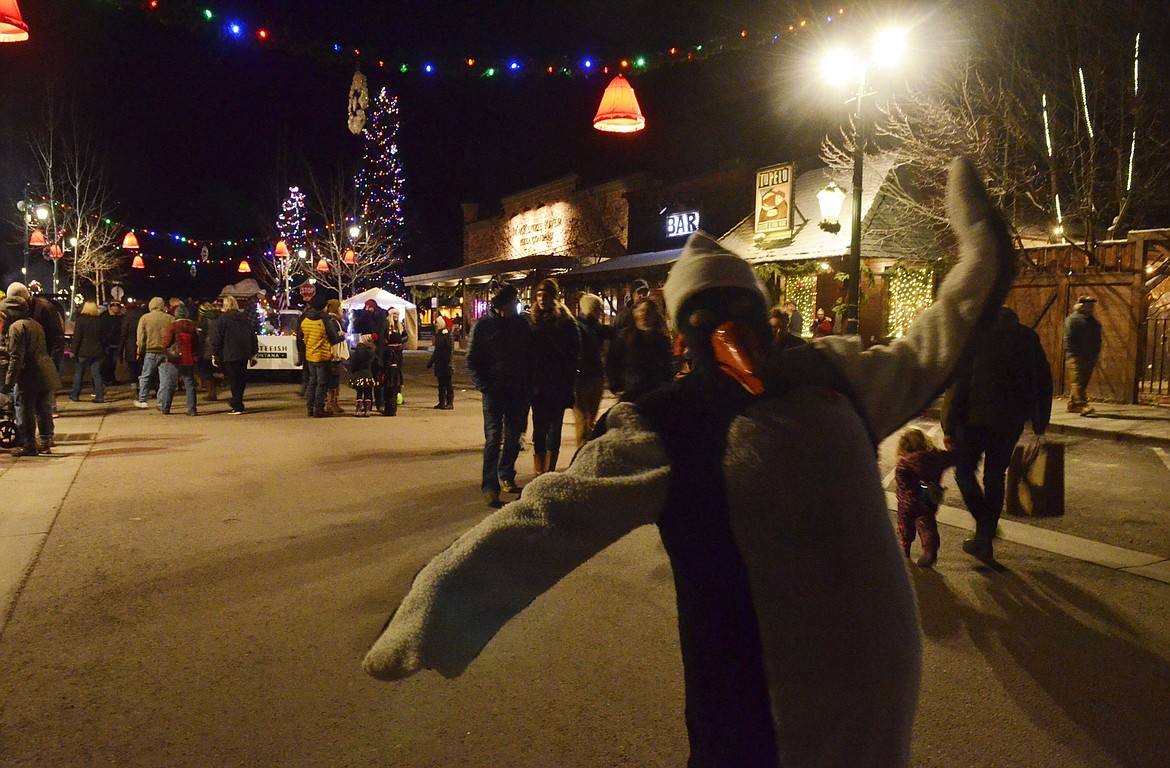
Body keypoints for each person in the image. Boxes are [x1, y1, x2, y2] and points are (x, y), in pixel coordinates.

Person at [364, 159, 1019, 766]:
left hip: (767, 716)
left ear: (680, 340)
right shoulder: (837, 377)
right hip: (878, 692)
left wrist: (435, 605)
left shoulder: (675, 424)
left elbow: (551, 520)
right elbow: (944, 334)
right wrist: (982, 257)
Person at [942, 306, 1052, 565]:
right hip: (1009, 422)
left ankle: (985, 529)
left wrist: (948, 426)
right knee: (994, 477)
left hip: (972, 422)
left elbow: (958, 384)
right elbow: (1043, 380)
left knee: (964, 472)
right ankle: (985, 537)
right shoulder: (1027, 338)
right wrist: (1040, 420)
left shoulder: (975, 337)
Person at [466, 284, 532, 506]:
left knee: (514, 437)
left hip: (518, 390)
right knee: (493, 439)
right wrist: (484, 385)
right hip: (494, 392)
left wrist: (530, 382)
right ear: (504, 304)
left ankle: (506, 473)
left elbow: (531, 355)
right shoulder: (483, 326)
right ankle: (489, 487)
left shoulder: (522, 324)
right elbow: (473, 360)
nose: (516, 304)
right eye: (514, 301)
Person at [528, 278, 580, 475]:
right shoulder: (532, 320)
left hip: (558, 384)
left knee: (554, 427)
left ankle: (549, 470)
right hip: (538, 385)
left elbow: (574, 356)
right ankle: (539, 471)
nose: (541, 299)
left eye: (546, 295)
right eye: (539, 295)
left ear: (554, 298)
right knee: (539, 428)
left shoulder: (566, 323)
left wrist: (568, 384)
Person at [1, 293, 60, 456]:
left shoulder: (16, 327)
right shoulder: (34, 324)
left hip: (30, 375)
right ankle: (45, 441)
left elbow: (16, 357)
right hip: (45, 372)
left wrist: (9, 382)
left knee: (26, 410)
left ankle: (29, 444)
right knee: (43, 409)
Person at [894, 428, 955, 568]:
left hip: (908, 502)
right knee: (927, 524)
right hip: (928, 499)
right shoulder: (936, 458)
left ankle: (905, 547)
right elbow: (953, 457)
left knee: (905, 525)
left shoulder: (904, 463)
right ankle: (929, 549)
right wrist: (951, 444)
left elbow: (902, 484)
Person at [605, 296, 674, 402]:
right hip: (631, 393)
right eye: (641, 310)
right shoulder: (625, 336)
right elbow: (612, 361)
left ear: (655, 315)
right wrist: (616, 386)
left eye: (648, 311)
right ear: (635, 313)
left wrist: (666, 386)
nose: (644, 314)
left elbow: (667, 365)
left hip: (655, 394)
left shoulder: (661, 339)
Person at [572, 292, 613, 449]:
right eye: (598, 309)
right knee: (583, 422)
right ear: (590, 309)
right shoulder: (576, 327)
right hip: (580, 378)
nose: (600, 312)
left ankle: (586, 453)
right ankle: (581, 456)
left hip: (595, 377)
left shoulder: (598, 328)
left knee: (590, 421)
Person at [209, 295, 258, 415]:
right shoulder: (244, 319)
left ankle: (237, 404)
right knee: (240, 379)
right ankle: (238, 401)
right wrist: (253, 353)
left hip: (229, 353)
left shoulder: (222, 319)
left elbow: (217, 338)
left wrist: (215, 354)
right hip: (243, 353)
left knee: (233, 379)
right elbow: (252, 336)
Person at [297, 295, 341, 418]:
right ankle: (319, 408)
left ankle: (310, 408)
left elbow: (300, 336)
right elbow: (333, 338)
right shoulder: (323, 319)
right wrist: (343, 337)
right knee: (322, 383)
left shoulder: (304, 318)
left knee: (312, 381)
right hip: (322, 354)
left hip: (310, 354)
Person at [158, 304, 200, 416]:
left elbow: (166, 342)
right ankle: (192, 410)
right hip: (189, 358)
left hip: (175, 359)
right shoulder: (192, 326)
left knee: (170, 384)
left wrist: (164, 350)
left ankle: (165, 408)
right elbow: (196, 343)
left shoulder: (173, 326)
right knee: (190, 385)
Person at [134, 297, 175, 409]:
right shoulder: (170, 318)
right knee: (164, 378)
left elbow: (141, 335)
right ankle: (161, 401)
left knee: (146, 376)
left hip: (151, 350)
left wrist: (140, 349)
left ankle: (143, 399)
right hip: (165, 351)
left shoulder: (145, 318)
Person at [1063, 295, 1101, 416]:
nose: (1091, 307)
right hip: (1076, 355)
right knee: (1078, 381)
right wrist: (1074, 353)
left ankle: (1072, 404)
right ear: (1081, 306)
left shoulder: (1094, 322)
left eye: (1091, 305)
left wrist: (1095, 353)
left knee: (1082, 382)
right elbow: (1069, 338)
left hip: (1090, 356)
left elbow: (1097, 339)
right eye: (1088, 305)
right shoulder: (1073, 320)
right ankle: (1081, 405)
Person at [353, 299, 390, 411]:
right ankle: (367, 402)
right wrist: (363, 317)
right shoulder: (364, 316)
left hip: (378, 349)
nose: (368, 309)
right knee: (366, 377)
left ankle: (380, 403)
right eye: (366, 307)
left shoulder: (381, 316)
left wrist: (372, 334)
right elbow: (357, 328)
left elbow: (378, 330)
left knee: (377, 375)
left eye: (370, 307)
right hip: (366, 349)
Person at [69, 301, 106, 403]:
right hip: (97, 351)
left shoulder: (81, 321)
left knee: (79, 374)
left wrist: (73, 351)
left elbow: (77, 337)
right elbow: (104, 337)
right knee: (97, 374)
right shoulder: (99, 321)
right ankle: (99, 396)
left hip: (83, 351)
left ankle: (75, 395)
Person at [425, 315, 455, 410]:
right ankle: (441, 402)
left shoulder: (447, 336)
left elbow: (450, 350)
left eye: (437, 323)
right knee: (441, 384)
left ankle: (450, 402)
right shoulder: (439, 335)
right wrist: (431, 362)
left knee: (448, 383)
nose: (436, 325)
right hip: (439, 363)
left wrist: (449, 362)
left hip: (446, 363)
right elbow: (437, 351)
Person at [323, 299, 347, 415]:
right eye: (340, 308)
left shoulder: (335, 321)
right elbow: (332, 338)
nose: (342, 311)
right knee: (332, 378)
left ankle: (335, 402)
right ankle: (330, 403)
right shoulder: (332, 321)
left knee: (335, 378)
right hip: (333, 354)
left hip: (335, 355)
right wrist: (343, 337)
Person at [383, 307, 406, 416]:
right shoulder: (387, 325)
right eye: (394, 314)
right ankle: (391, 398)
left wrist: (400, 340)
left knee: (397, 374)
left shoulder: (400, 325)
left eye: (397, 314)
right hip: (391, 350)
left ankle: (397, 395)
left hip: (398, 351)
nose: (396, 316)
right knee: (391, 377)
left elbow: (405, 336)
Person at [195, 301, 220, 401]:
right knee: (211, 371)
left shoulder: (203, 321)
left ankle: (211, 394)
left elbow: (201, 337)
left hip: (206, 350)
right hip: (216, 349)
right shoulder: (217, 319)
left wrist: (197, 350)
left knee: (206, 372)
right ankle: (212, 392)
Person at [348, 338, 379, 416]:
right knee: (368, 393)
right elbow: (377, 364)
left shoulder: (355, 355)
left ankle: (358, 410)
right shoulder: (371, 355)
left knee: (359, 393)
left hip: (358, 376)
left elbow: (352, 366)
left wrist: (353, 372)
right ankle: (367, 410)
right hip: (368, 375)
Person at [121, 301, 147, 391]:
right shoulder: (143, 317)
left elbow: (123, 335)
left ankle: (134, 388)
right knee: (142, 368)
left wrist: (120, 351)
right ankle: (143, 387)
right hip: (142, 345)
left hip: (130, 345)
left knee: (132, 369)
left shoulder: (127, 318)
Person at [99, 302, 124, 385]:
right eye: (113, 305)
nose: (116, 307)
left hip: (116, 343)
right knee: (106, 362)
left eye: (117, 305)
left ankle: (111, 378)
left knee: (113, 362)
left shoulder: (121, 317)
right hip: (107, 343)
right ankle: (105, 379)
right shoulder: (104, 317)